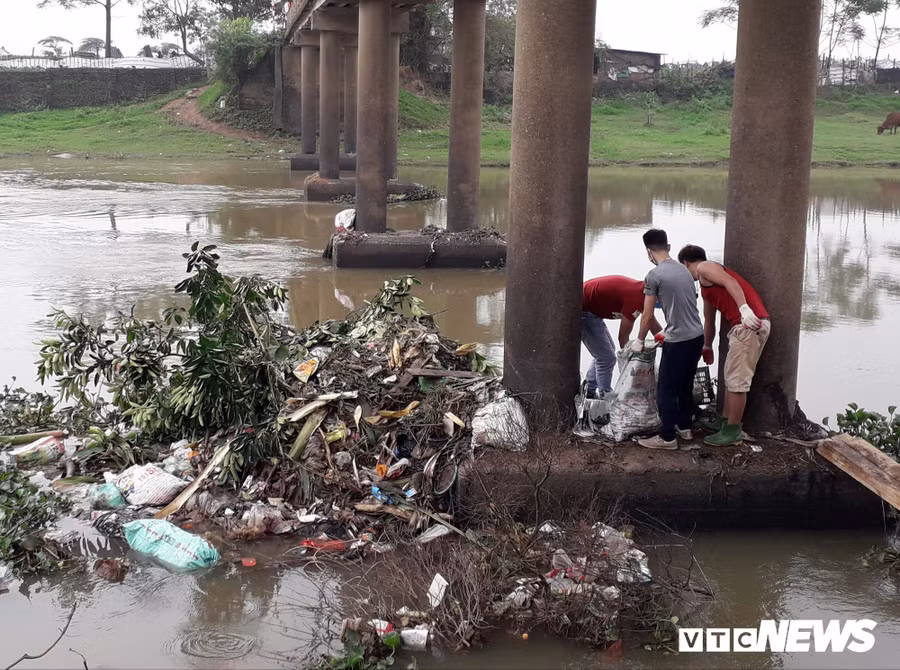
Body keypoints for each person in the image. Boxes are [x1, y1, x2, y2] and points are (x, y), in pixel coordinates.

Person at [677, 244, 770, 446]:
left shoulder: (704, 268)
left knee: (737, 380)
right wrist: (707, 346)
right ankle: (725, 421)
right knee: (730, 376)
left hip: (748, 325)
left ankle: (732, 431)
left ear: (685, 263)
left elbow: (730, 281)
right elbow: (709, 320)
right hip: (742, 328)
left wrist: (744, 309)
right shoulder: (706, 286)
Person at [633, 229, 704, 450]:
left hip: (678, 340)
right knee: (684, 384)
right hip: (697, 336)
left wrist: (639, 340)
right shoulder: (684, 271)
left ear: (648, 252)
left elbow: (647, 315)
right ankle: (684, 427)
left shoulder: (654, 276)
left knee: (666, 388)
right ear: (669, 247)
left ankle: (667, 438)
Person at [582, 276, 663, 396]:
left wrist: (669, 342)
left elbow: (652, 324)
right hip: (583, 309)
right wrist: (631, 367)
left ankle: (589, 389)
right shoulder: (636, 300)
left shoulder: (645, 293)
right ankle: (605, 396)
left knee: (605, 353)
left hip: (591, 309)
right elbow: (623, 337)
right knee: (606, 357)